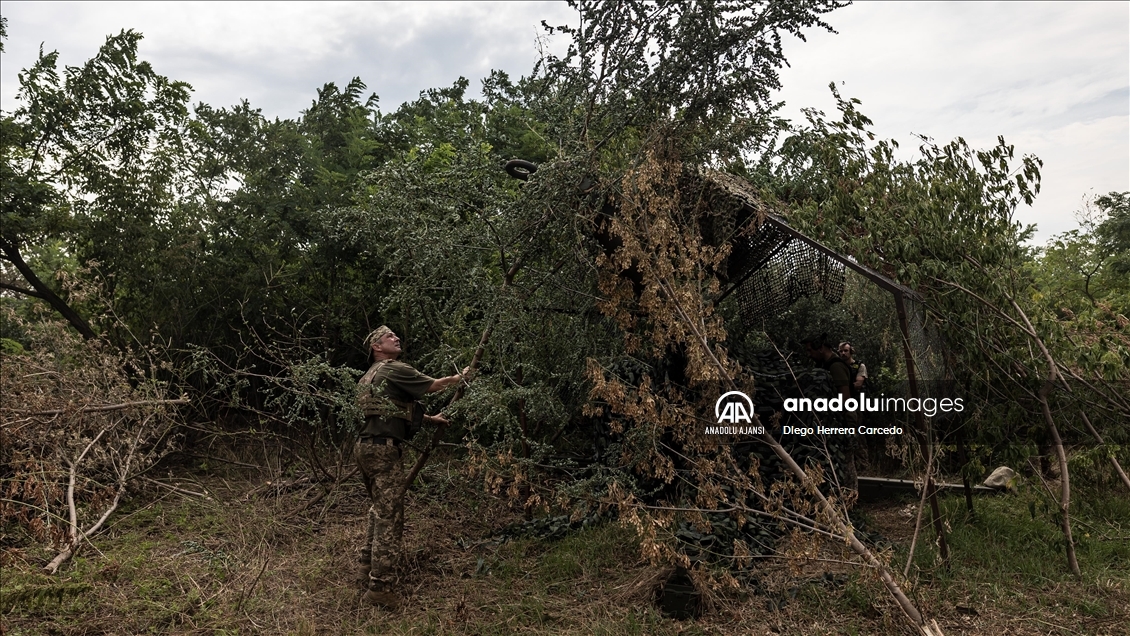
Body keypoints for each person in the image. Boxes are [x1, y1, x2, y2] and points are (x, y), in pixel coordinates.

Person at [355, 326, 470, 609]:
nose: (397, 339)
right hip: (383, 450)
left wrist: (431, 419)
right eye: (389, 337)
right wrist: (462, 378)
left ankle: (365, 565)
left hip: (364, 448)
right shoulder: (393, 368)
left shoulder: (367, 377)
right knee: (390, 517)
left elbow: (387, 410)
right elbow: (433, 385)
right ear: (377, 347)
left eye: (396, 335)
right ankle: (380, 589)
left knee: (378, 509)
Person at [804, 333, 858, 490]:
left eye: (810, 350)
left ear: (821, 348)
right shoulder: (826, 365)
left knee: (846, 462)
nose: (809, 354)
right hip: (836, 419)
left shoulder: (835, 366)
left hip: (844, 419)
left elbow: (845, 398)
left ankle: (850, 500)